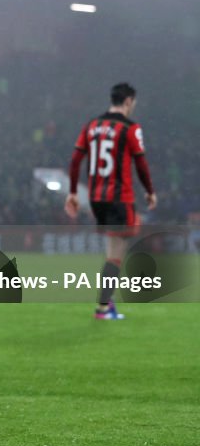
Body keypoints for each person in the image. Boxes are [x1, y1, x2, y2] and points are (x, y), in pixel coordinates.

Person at [65, 82, 157, 320]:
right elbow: (141, 163)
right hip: (119, 197)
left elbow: (76, 160)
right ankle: (103, 307)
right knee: (117, 254)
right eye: (133, 103)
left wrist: (73, 192)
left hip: (97, 198)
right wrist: (149, 191)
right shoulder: (130, 128)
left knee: (112, 252)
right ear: (128, 101)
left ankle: (107, 301)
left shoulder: (92, 126)